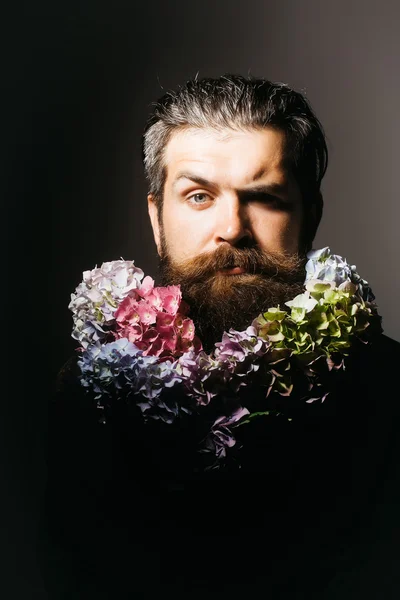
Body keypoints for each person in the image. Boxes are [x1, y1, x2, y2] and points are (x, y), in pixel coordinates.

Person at [39, 74, 400, 599]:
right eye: (199, 196)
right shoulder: (85, 396)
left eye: (266, 197)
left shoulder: (389, 387)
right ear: (156, 219)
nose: (232, 227)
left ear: (311, 215)